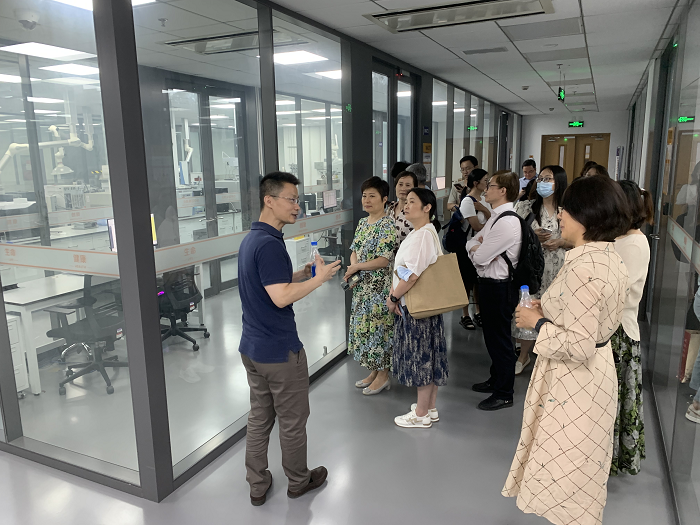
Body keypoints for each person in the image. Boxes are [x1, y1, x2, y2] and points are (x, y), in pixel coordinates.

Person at [504, 175, 630, 525]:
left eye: (566, 210)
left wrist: (537, 323)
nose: (559, 215)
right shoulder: (606, 257)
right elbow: (587, 319)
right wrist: (547, 308)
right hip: (594, 376)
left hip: (575, 383)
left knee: (567, 469)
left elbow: (578, 344)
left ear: (587, 216)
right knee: (579, 466)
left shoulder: (584, 268)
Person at [238, 171, 341, 506]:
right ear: (269, 200)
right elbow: (281, 297)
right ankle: (298, 481)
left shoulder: (253, 239)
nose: (298, 206)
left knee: (259, 417)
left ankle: (257, 484)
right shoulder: (269, 244)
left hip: (253, 349)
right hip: (280, 352)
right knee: (293, 422)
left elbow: (269, 285)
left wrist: (301, 275)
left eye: (298, 200)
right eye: (292, 200)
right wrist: (319, 279)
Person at [388, 188, 448, 428]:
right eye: (406, 201)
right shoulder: (423, 232)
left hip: (417, 307)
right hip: (425, 306)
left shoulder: (422, 235)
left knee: (421, 358)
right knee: (429, 355)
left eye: (412, 201)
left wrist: (393, 297)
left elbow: (411, 275)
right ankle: (429, 408)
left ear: (427, 207)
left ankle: (420, 414)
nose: (406, 205)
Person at [467, 171, 522, 411]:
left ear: (503, 191)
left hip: (500, 287)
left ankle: (504, 392)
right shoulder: (496, 217)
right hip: (490, 285)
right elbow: (472, 241)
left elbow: (479, 257)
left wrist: (477, 250)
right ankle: (496, 378)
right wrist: (476, 248)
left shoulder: (507, 222)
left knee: (500, 340)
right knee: (492, 337)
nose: (486, 189)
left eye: (491, 185)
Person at [610, 180, 653, 475]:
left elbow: (620, 293)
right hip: (610, 327)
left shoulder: (635, 243)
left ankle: (611, 459)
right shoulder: (619, 237)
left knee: (615, 399)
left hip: (620, 331)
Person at [513, 165, 570, 375]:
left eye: (549, 179)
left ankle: (551, 356)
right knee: (530, 308)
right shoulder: (526, 207)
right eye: (541, 179)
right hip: (533, 270)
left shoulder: (569, 210)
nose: (543, 183)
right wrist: (532, 237)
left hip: (560, 270)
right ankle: (524, 355)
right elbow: (513, 235)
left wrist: (561, 242)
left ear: (559, 182)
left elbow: (580, 240)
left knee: (556, 311)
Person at [346, 177, 397, 395]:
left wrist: (357, 267)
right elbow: (354, 250)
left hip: (379, 289)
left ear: (384, 199)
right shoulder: (362, 223)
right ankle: (374, 371)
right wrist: (354, 267)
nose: (366, 200)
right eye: (364, 195)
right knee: (366, 331)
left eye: (372, 196)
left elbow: (383, 260)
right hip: (362, 288)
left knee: (380, 330)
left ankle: (384, 375)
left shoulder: (388, 225)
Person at [457, 168, 491, 330]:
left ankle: (478, 311)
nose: (487, 184)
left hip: (482, 247)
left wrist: (485, 210)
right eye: (485, 181)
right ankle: (465, 314)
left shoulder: (484, 200)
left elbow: (492, 220)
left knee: (478, 281)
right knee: (466, 282)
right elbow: (476, 226)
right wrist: (487, 216)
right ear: (476, 183)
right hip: (467, 247)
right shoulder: (467, 201)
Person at [386, 171, 418, 246]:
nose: (403, 188)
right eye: (400, 184)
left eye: (408, 185)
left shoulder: (417, 211)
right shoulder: (390, 209)